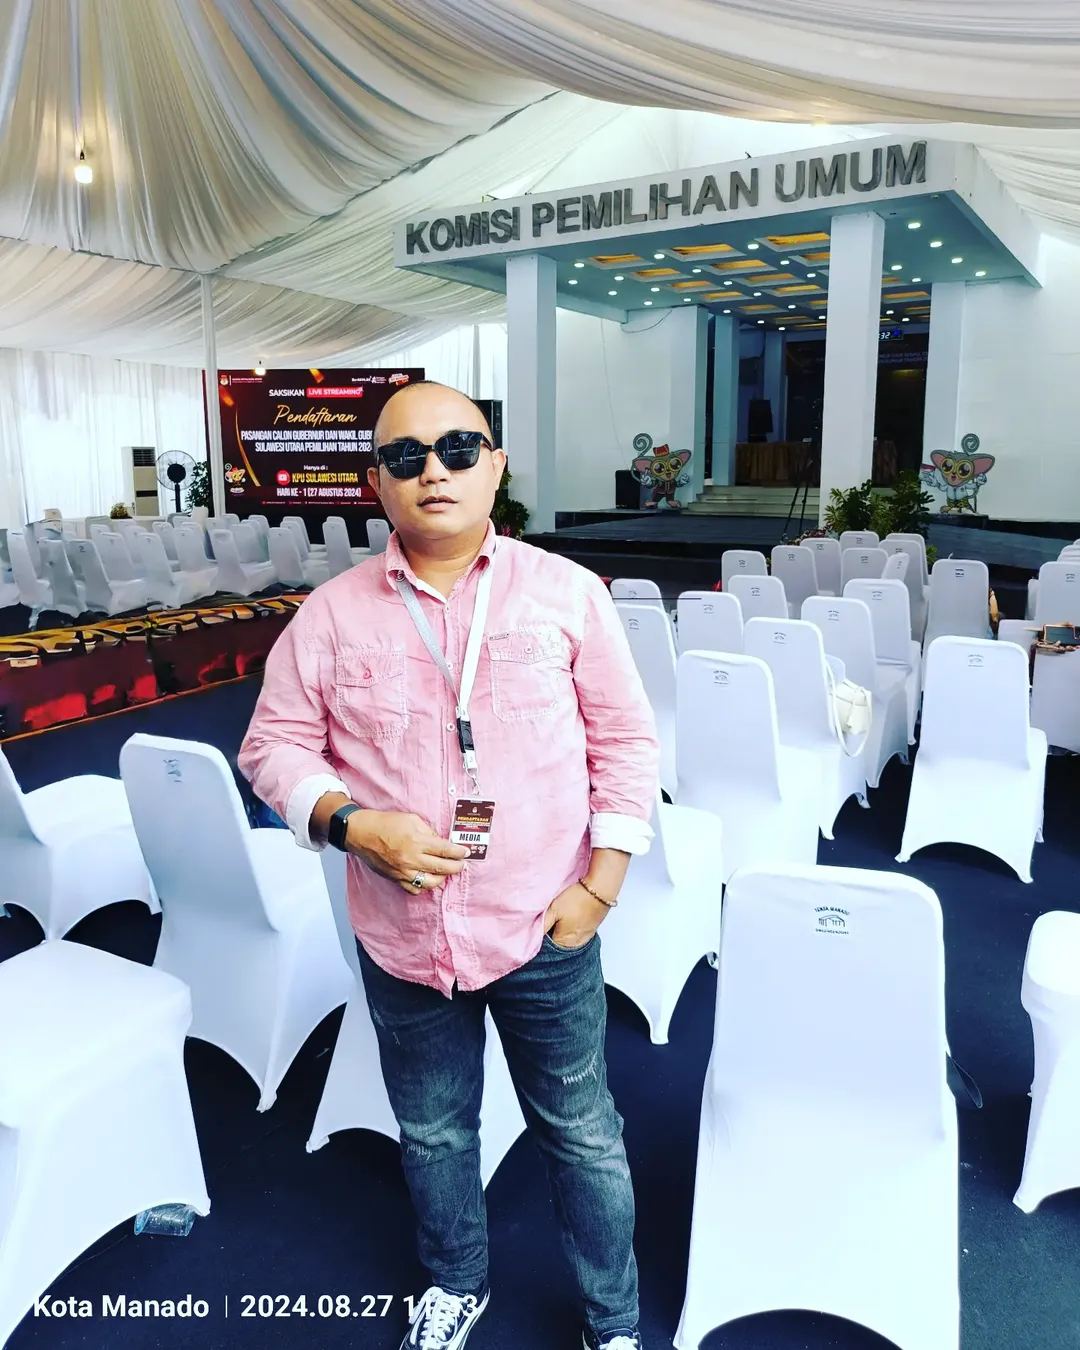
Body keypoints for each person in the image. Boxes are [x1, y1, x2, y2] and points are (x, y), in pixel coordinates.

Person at [239, 380, 660, 1350]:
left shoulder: (566, 594)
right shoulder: (332, 615)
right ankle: (455, 1282)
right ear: (376, 484)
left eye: (458, 449)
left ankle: (613, 1319)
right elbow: (273, 745)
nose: (434, 470)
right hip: (404, 937)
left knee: (582, 1133)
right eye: (406, 456)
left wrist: (602, 886)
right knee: (432, 1132)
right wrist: (351, 825)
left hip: (543, 923)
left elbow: (626, 742)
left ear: (495, 467)